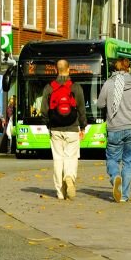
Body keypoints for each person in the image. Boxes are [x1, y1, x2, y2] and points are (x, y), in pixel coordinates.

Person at [97, 57, 131, 202]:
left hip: (114, 128)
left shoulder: (109, 84)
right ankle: (124, 196)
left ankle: (115, 177)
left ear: (115, 69)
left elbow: (100, 104)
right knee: (128, 162)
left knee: (112, 159)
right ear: (129, 69)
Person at [47, 61, 88, 200]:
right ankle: (69, 176)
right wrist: (82, 127)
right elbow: (82, 110)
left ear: (56, 70)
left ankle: (60, 192)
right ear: (68, 69)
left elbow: (43, 111)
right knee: (71, 157)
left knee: (58, 159)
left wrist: (49, 125)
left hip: (55, 129)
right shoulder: (76, 87)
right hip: (72, 128)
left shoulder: (50, 87)